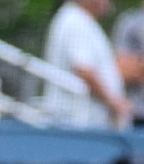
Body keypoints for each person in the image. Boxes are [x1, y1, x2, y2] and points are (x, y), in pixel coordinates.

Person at [45, 0, 131, 129]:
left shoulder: (82, 20)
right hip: (77, 123)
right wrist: (115, 103)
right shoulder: (75, 22)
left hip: (86, 122)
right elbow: (84, 71)